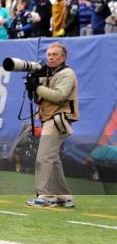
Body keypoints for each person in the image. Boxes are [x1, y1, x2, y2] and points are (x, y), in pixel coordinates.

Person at [25, 43, 78, 208]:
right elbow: (40, 96)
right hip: (50, 118)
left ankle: (46, 196)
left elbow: (60, 96)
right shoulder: (49, 74)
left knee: (44, 158)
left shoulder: (67, 73)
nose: (51, 57)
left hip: (58, 119)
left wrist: (37, 87)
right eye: (49, 55)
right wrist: (32, 86)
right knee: (52, 159)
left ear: (63, 57)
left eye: (55, 55)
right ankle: (64, 196)